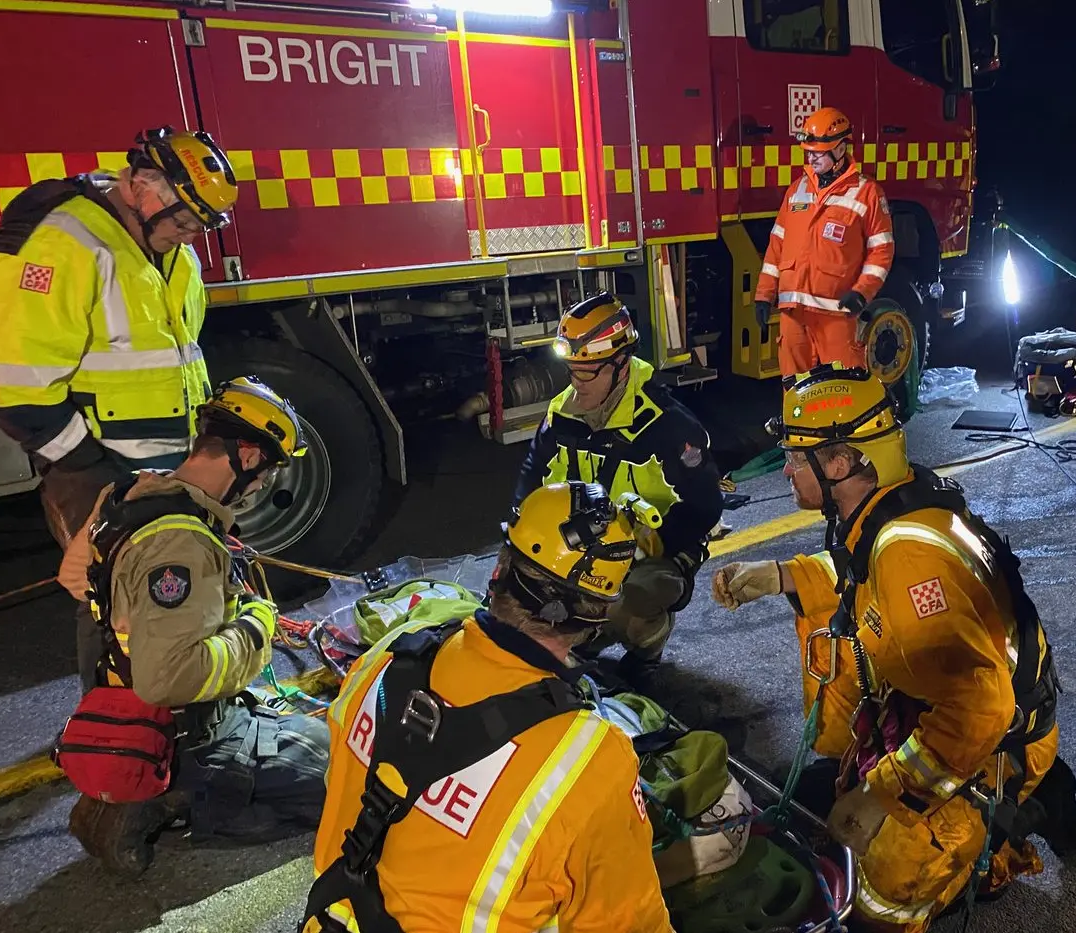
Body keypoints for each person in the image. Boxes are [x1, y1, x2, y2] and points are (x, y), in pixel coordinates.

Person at [711, 365, 1076, 931]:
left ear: (839, 463)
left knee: (883, 889)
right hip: (961, 711)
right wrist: (781, 575)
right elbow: (859, 577)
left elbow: (979, 712)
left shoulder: (909, 561)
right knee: (829, 779)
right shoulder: (894, 505)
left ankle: (1015, 812)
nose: (786, 469)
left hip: (991, 741)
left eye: (796, 455)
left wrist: (880, 794)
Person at [303, 481, 673, 933]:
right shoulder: (589, 760)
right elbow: (629, 923)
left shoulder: (383, 662)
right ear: (595, 618)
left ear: (499, 568)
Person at [0, 126, 238, 686]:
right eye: (182, 219)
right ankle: (117, 730)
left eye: (200, 225)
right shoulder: (65, 242)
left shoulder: (169, 250)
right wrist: (85, 466)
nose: (189, 234)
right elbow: (15, 387)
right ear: (137, 183)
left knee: (174, 591)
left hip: (167, 465)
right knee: (111, 601)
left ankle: (174, 718)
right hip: (99, 467)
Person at [55, 377, 329, 876]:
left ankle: (144, 783)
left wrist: (142, 613)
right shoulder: (183, 539)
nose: (261, 487)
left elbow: (74, 576)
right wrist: (254, 628)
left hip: (124, 704)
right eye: (265, 474)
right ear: (246, 456)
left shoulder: (127, 491)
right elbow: (170, 679)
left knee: (313, 732)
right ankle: (177, 798)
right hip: (190, 735)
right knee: (344, 777)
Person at [513, 291, 722, 681]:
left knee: (628, 601)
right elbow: (530, 481)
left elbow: (706, 507)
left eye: (588, 371)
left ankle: (647, 645)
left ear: (622, 364)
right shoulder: (560, 416)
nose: (578, 384)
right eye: (572, 370)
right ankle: (585, 634)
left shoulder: (668, 425)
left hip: (653, 550)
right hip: (581, 547)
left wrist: (647, 544)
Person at [754, 107, 895, 378]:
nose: (811, 157)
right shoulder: (797, 190)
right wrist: (763, 295)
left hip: (837, 313)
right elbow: (776, 247)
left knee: (844, 390)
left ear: (841, 150)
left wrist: (861, 292)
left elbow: (882, 251)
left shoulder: (867, 193)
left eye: (819, 151)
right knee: (795, 392)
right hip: (794, 314)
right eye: (809, 151)